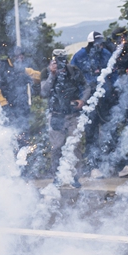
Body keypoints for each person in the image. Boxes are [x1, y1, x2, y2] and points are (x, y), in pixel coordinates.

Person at [41, 48, 84, 179]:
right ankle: (56, 175)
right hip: (56, 114)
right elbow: (43, 93)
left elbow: (86, 86)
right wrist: (52, 75)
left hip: (72, 113)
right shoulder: (46, 72)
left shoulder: (73, 71)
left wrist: (82, 100)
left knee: (75, 145)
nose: (61, 63)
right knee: (57, 147)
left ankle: (76, 175)